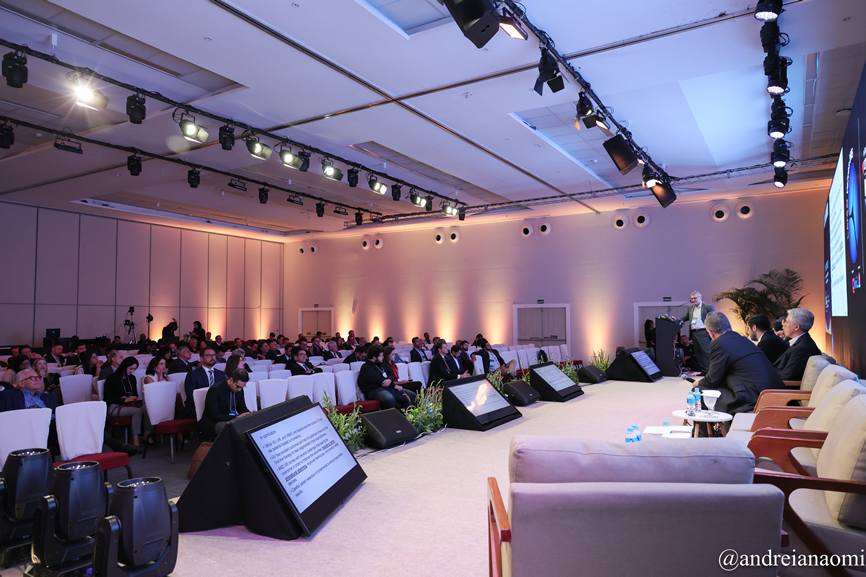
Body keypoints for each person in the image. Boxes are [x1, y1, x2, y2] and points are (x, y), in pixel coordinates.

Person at [698, 311, 783, 420]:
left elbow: (713, 379)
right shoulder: (743, 339)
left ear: (710, 332)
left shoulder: (718, 343)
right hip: (771, 392)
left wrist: (699, 382)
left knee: (699, 391)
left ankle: (705, 431)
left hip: (753, 397)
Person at [103, 357, 151, 448]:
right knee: (137, 411)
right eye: (130, 369)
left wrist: (135, 399)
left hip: (130, 404)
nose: (132, 371)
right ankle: (135, 439)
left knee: (147, 408)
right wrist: (124, 400)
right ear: (124, 367)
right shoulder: (112, 378)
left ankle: (146, 435)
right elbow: (107, 398)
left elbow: (135, 394)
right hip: (115, 406)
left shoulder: (132, 378)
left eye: (134, 369)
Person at [358, 345, 416, 409]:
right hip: (373, 390)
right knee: (390, 399)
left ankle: (407, 414)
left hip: (387, 388)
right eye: (381, 356)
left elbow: (392, 374)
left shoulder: (381, 364)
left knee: (411, 395)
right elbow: (380, 380)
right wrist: (393, 385)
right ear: (374, 357)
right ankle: (394, 415)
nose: (383, 357)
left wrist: (389, 380)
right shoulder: (366, 367)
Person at [200, 369, 250, 441]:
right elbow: (215, 415)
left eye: (242, 387)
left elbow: (242, 408)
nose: (239, 390)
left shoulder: (239, 389)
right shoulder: (215, 390)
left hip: (231, 418)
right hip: (213, 422)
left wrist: (249, 414)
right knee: (235, 429)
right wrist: (236, 417)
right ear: (231, 380)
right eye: (238, 386)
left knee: (250, 424)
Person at [773, 308, 822, 381]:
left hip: (777, 386)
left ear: (796, 327)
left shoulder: (803, 348)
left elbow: (786, 377)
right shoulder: (799, 342)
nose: (783, 326)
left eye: (787, 322)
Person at [182, 347, 225, 419]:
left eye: (214, 355)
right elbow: (191, 396)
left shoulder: (220, 374)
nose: (212, 357)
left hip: (218, 408)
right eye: (209, 355)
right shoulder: (193, 375)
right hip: (198, 407)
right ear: (201, 358)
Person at [679, 291, 714, 374]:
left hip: (703, 332)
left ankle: (713, 371)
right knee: (698, 353)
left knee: (707, 352)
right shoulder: (690, 308)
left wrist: (712, 331)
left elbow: (713, 318)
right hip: (694, 332)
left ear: (700, 297)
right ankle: (705, 370)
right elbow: (685, 317)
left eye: (695, 298)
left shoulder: (707, 307)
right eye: (692, 298)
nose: (693, 300)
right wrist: (677, 319)